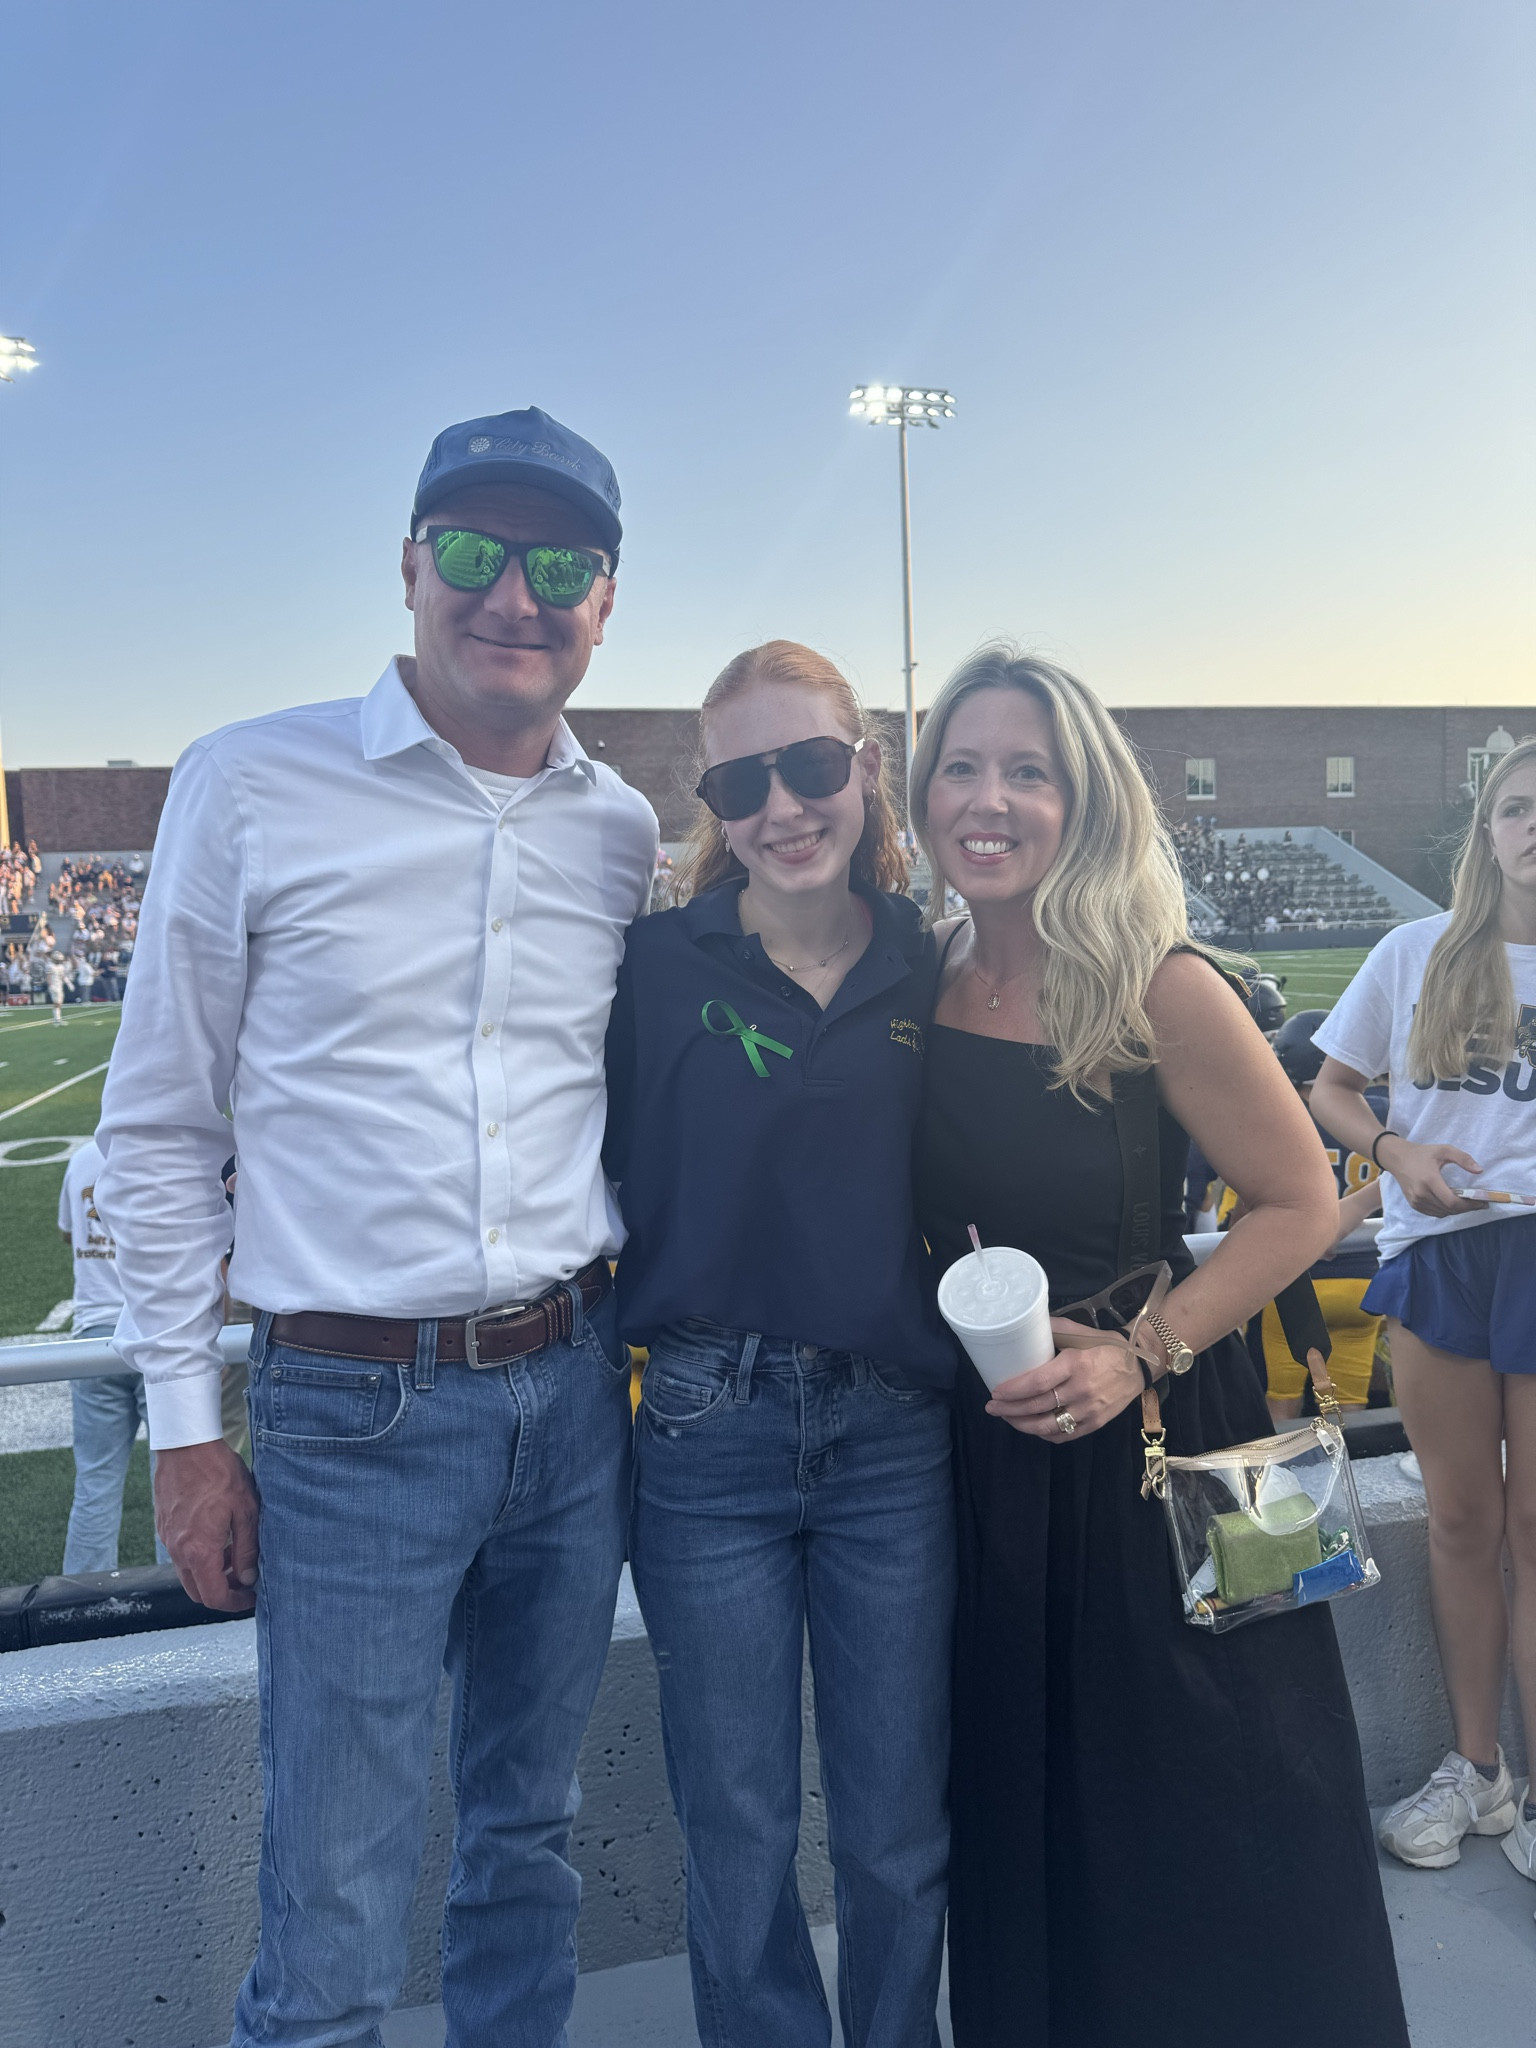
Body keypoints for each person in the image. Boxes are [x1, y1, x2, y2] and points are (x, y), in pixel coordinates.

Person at [97, 406, 657, 2048]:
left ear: (605, 602)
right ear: (410, 567)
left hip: (572, 1384)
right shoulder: (254, 778)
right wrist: (189, 1435)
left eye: (560, 564)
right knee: (334, 1895)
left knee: (525, 1838)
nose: (515, 595)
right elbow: (159, 1126)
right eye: (474, 552)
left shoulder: (621, 831)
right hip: (349, 1408)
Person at [909, 647, 1408, 2048]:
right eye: (962, 765)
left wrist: (1143, 1350)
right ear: (922, 787)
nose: (988, 799)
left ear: (1087, 801)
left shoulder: (1159, 982)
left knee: (1221, 1783)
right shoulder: (926, 969)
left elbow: (1306, 1201)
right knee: (1032, 1782)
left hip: (1169, 1430)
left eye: (1028, 772)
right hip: (1003, 1437)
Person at [606, 641, 955, 2048]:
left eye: (812, 765)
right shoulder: (649, 966)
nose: (784, 806)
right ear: (716, 801)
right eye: (745, 780)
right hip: (706, 1431)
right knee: (738, 1834)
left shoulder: (944, 964)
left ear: (866, 768)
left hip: (897, 1438)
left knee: (894, 1827)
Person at [1311, 736, 1536, 1885]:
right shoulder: (1416, 953)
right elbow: (1330, 1089)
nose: (1533, 823)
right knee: (1460, 1522)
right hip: (1440, 1255)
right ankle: (1476, 1765)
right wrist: (1398, 1151)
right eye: (1516, 806)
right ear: (1486, 831)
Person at [1255, 1009, 1386, 1422]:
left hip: (1296, 1280)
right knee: (1351, 1406)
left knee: (1282, 1400)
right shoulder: (1380, 1111)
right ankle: (1351, 1477)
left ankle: (1288, 1480)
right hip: (1363, 1282)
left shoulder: (1279, 1120)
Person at [58, 1135, 173, 1573]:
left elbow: (68, 1232)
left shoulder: (82, 1158)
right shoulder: (157, 1153)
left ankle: (80, 1598)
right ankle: (179, 1591)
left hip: (91, 1335)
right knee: (172, 1472)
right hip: (152, 1334)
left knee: (96, 1479)